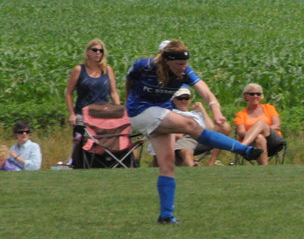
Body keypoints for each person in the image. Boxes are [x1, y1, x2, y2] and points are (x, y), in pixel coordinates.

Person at [125, 40, 263, 224]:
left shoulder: (185, 72)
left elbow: (205, 92)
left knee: (167, 165)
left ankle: (166, 216)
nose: (183, 67)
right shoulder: (145, 66)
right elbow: (129, 79)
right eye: (179, 64)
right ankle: (243, 150)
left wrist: (216, 110)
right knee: (190, 124)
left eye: (185, 63)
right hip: (140, 112)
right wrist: (127, 101)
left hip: (161, 112)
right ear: (167, 60)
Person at [64, 39, 120, 167]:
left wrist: (118, 110)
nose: (98, 53)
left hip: (103, 113)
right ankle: (77, 163)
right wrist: (71, 114)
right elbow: (69, 93)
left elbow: (113, 92)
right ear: (88, 52)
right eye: (95, 50)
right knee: (81, 141)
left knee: (106, 141)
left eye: (101, 51)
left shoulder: (107, 70)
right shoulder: (79, 70)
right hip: (83, 113)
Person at [233, 83, 286, 166]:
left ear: (261, 96)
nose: (255, 96)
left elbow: (277, 126)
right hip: (252, 145)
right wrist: (256, 133)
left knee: (260, 123)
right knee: (259, 137)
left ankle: (241, 146)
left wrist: (260, 129)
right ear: (246, 96)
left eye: (258, 94)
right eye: (252, 94)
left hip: (273, 141)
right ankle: (264, 168)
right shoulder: (241, 114)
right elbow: (241, 133)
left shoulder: (269, 108)